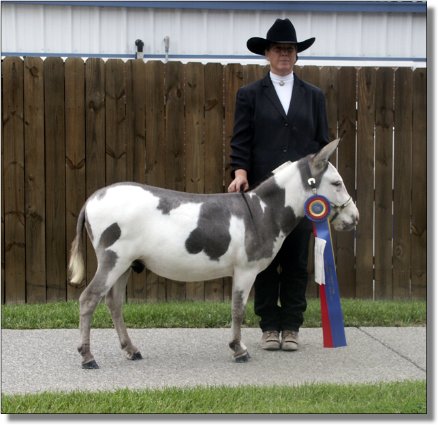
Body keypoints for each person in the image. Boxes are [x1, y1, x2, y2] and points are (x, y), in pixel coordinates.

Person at [228, 18, 329, 351]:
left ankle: (292, 327)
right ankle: (269, 326)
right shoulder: (249, 95)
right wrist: (240, 172)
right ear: (267, 54)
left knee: (297, 261)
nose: (284, 54)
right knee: (264, 262)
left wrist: (320, 184)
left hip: (302, 195)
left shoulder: (314, 96)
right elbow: (241, 139)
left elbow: (322, 146)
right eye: (277, 49)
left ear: (296, 55)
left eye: (289, 49)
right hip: (263, 196)